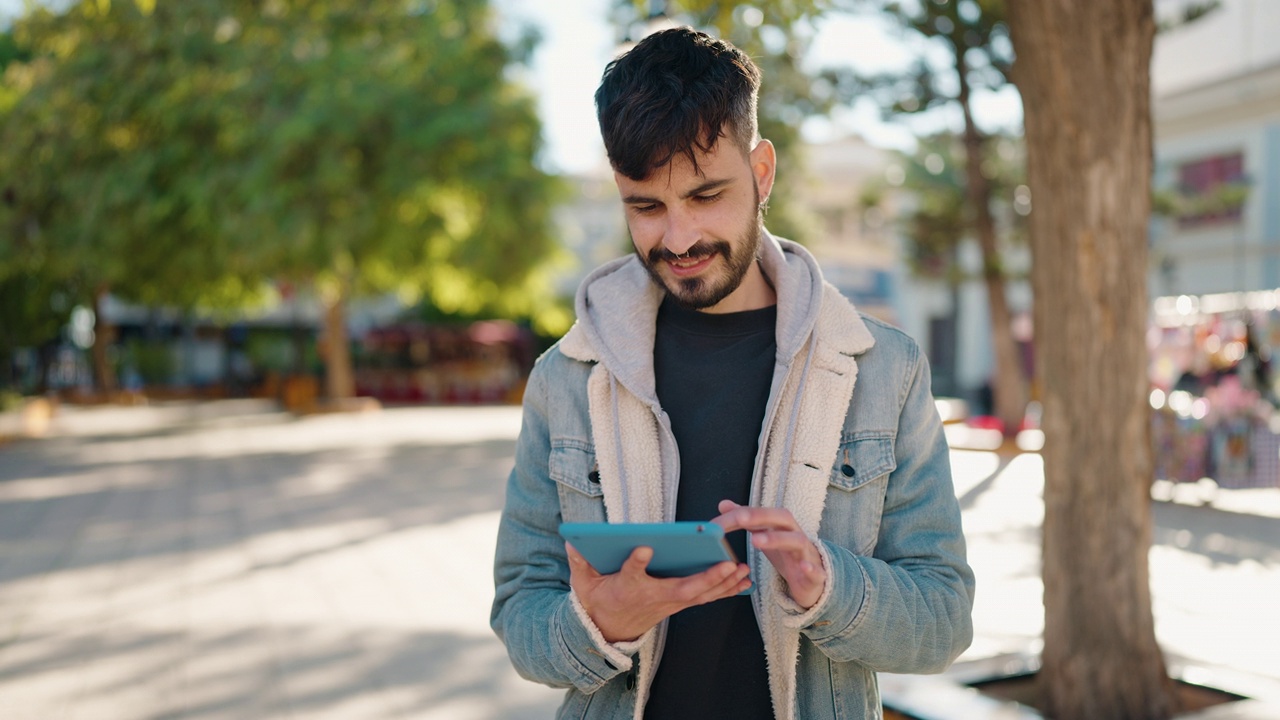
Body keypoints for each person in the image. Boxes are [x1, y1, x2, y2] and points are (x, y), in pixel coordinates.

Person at [491, 27, 974, 720]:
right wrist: (602, 624)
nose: (679, 238)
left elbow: (945, 622)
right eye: (646, 207)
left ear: (762, 172)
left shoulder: (883, 370)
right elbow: (519, 612)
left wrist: (827, 587)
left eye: (706, 194)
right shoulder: (566, 378)